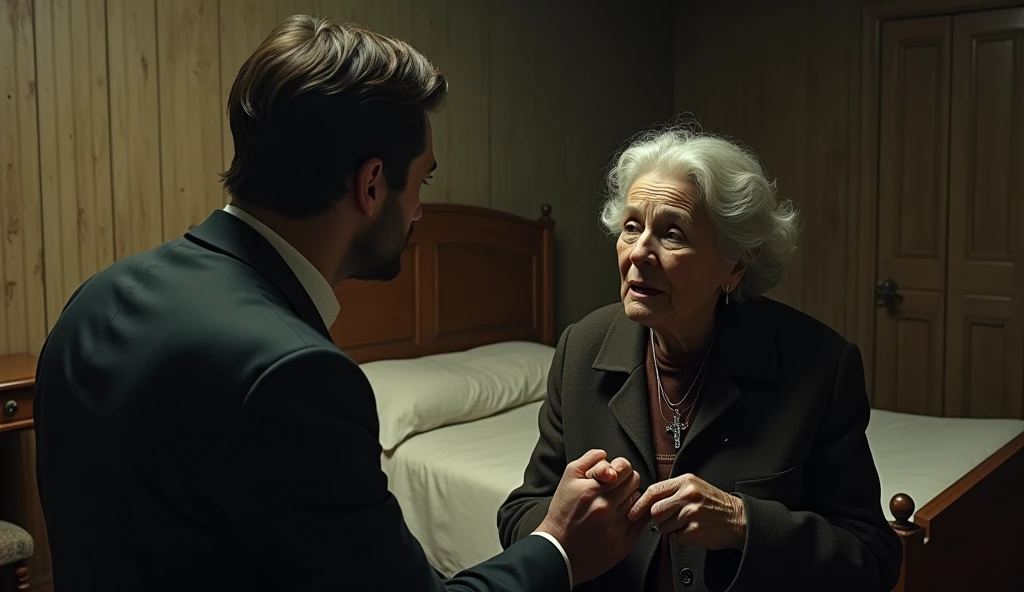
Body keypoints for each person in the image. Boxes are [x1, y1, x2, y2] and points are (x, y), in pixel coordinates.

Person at [32, 14, 646, 592]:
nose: (421, 213)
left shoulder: (96, 298)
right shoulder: (296, 374)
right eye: (423, 180)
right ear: (372, 183)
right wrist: (558, 545)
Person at [497, 125, 904, 591]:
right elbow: (517, 514)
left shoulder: (821, 365)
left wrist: (743, 523)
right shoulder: (580, 347)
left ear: (735, 262)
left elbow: (872, 560)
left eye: (671, 234)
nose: (639, 253)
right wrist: (562, 525)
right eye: (631, 227)